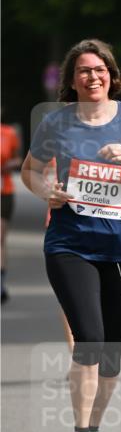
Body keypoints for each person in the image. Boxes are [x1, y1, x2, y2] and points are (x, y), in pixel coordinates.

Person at [21, 38, 121, 432]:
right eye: (84, 71)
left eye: (100, 69)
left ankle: (95, 431)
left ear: (112, 75)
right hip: (71, 244)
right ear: (72, 80)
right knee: (89, 339)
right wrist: (49, 191)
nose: (93, 77)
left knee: (111, 353)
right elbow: (30, 169)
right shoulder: (57, 123)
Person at [1, 117, 21, 303]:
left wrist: (10, 165)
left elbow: (18, 159)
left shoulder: (8, 133)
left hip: (3, 192)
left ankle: (0, 283)